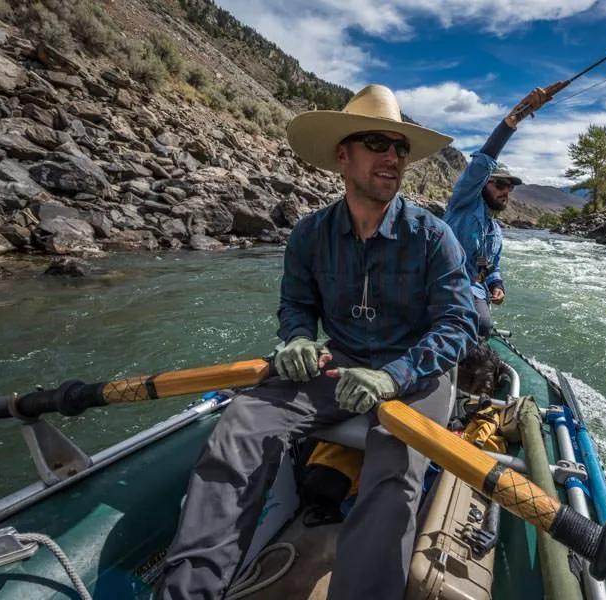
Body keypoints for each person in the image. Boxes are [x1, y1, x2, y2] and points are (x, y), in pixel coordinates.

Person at [157, 84, 478, 600]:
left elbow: (457, 325)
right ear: (342, 155)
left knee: (393, 472)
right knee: (242, 422)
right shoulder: (309, 235)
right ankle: (189, 592)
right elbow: (296, 305)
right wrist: (299, 338)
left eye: (400, 148)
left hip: (416, 374)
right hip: (339, 364)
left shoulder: (433, 235)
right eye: (378, 143)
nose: (393, 157)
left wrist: (391, 375)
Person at [444, 88, 551, 337]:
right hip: (444, 287)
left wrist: (496, 284)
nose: (506, 192)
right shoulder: (463, 203)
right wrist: (513, 121)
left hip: (475, 291)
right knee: (482, 325)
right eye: (500, 185)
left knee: (482, 325)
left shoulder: (496, 231)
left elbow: (494, 267)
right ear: (482, 184)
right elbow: (482, 163)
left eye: (510, 188)